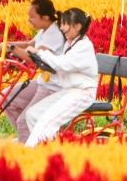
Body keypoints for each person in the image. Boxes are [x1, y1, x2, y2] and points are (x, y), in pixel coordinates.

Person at [21, 8, 99, 147]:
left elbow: (62, 64)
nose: (62, 27)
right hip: (69, 91)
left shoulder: (84, 46)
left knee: (47, 120)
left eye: (65, 23)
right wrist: (41, 60)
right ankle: (46, 150)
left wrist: (40, 53)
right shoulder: (70, 43)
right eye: (61, 23)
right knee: (32, 114)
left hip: (83, 92)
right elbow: (60, 66)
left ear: (78, 26)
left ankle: (31, 153)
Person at [1, 0, 66, 131]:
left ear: (45, 17)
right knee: (6, 98)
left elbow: (35, 57)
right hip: (43, 82)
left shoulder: (55, 34)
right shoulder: (45, 30)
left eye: (32, 17)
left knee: (24, 122)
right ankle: (30, 137)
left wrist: (12, 49)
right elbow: (29, 44)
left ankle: (30, 144)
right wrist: (7, 44)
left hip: (54, 87)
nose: (29, 20)